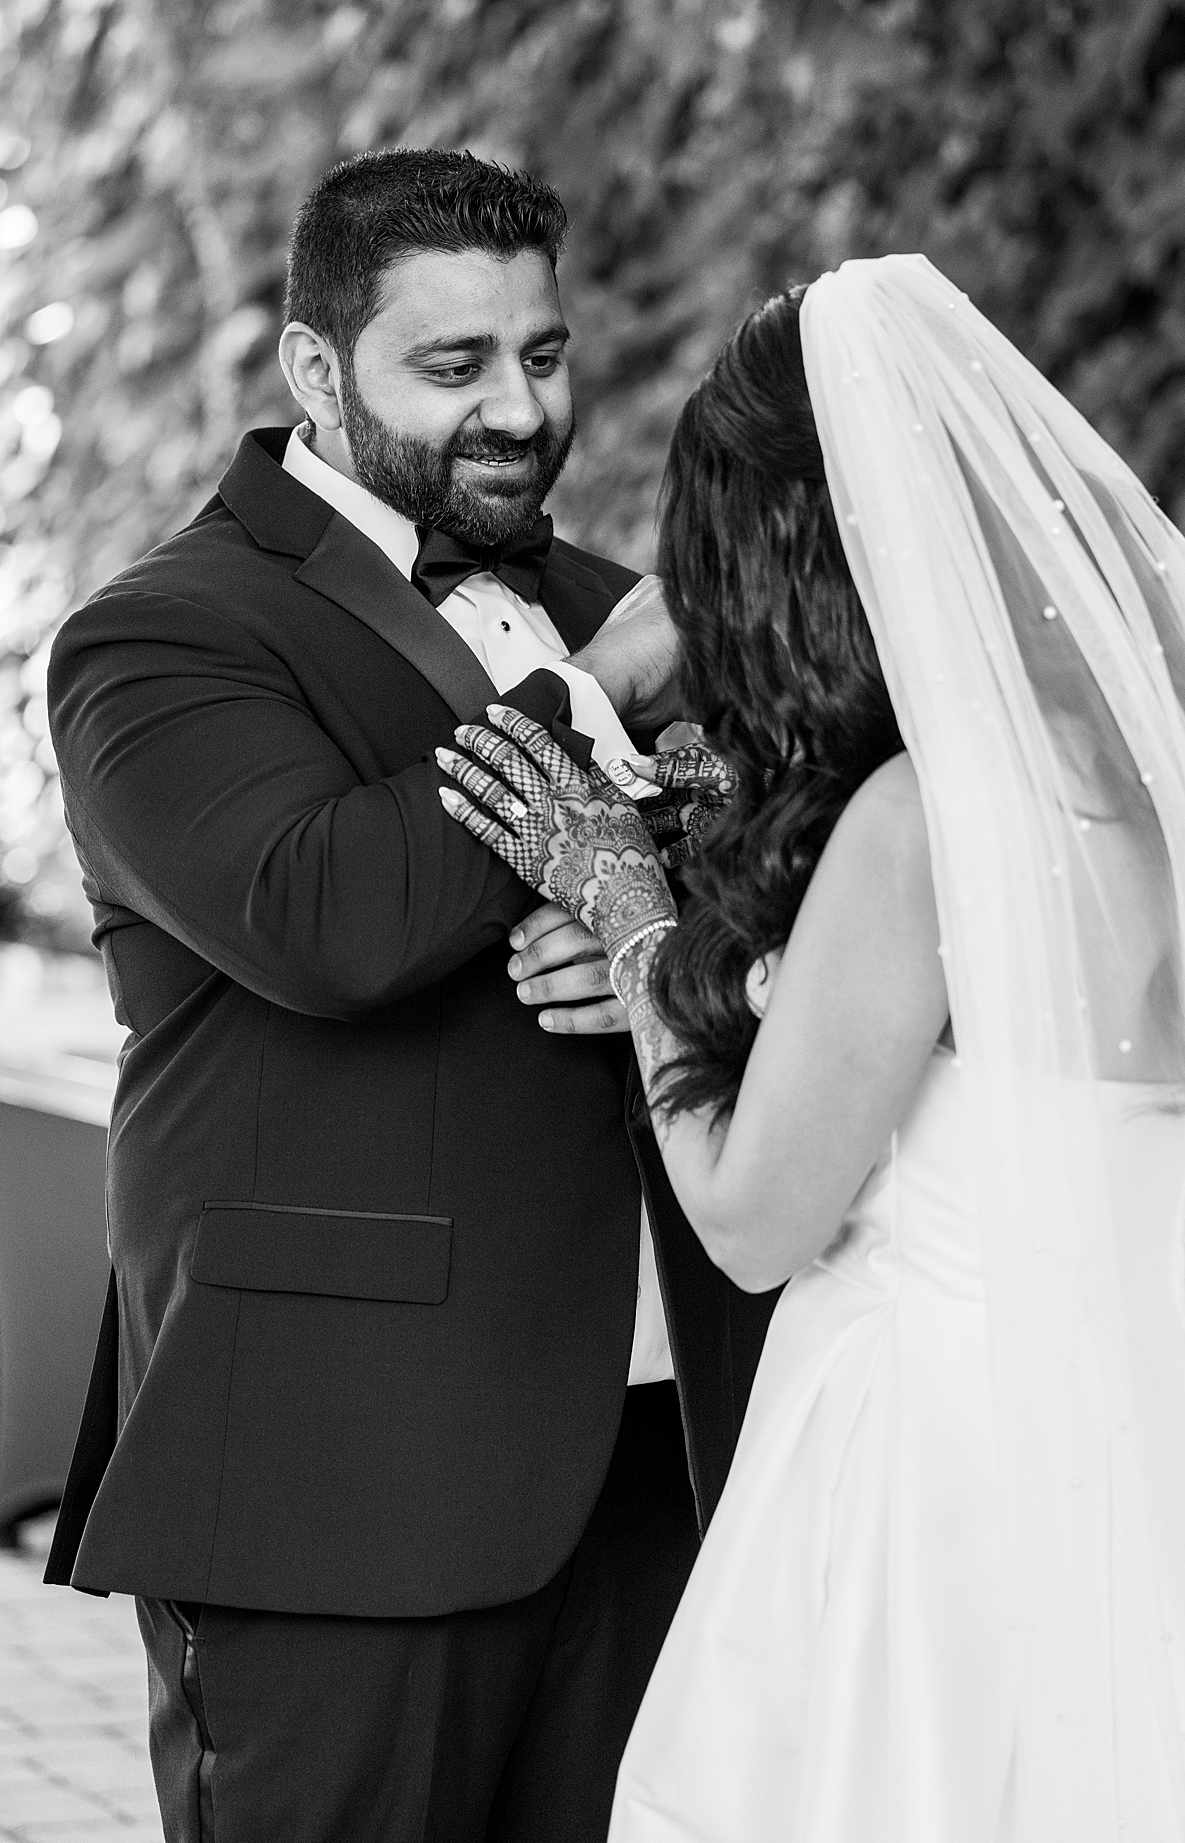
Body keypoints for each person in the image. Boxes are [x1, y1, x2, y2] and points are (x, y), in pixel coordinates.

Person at [438, 255, 1185, 1841]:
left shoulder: (924, 823)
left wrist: (628, 909)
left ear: (780, 548)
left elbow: (746, 1217)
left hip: (935, 1483)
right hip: (1174, 1471)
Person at [43, 147, 777, 1843]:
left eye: (542, 354)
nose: (518, 409)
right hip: (339, 1470)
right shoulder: (159, 638)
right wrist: (592, 708)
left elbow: (807, 922)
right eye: (452, 368)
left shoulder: (617, 609)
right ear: (316, 370)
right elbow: (328, 918)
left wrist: (668, 946)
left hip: (665, 1446)